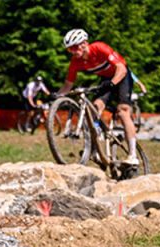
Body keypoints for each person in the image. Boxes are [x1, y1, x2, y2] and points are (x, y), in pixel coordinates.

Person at [56, 28, 140, 165]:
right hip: (106, 80)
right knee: (95, 108)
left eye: (74, 47)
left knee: (123, 111)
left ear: (84, 44)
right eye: (69, 49)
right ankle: (96, 146)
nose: (72, 52)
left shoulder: (99, 48)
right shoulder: (76, 61)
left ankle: (133, 155)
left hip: (122, 76)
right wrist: (57, 96)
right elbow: (68, 84)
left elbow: (121, 68)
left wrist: (113, 83)